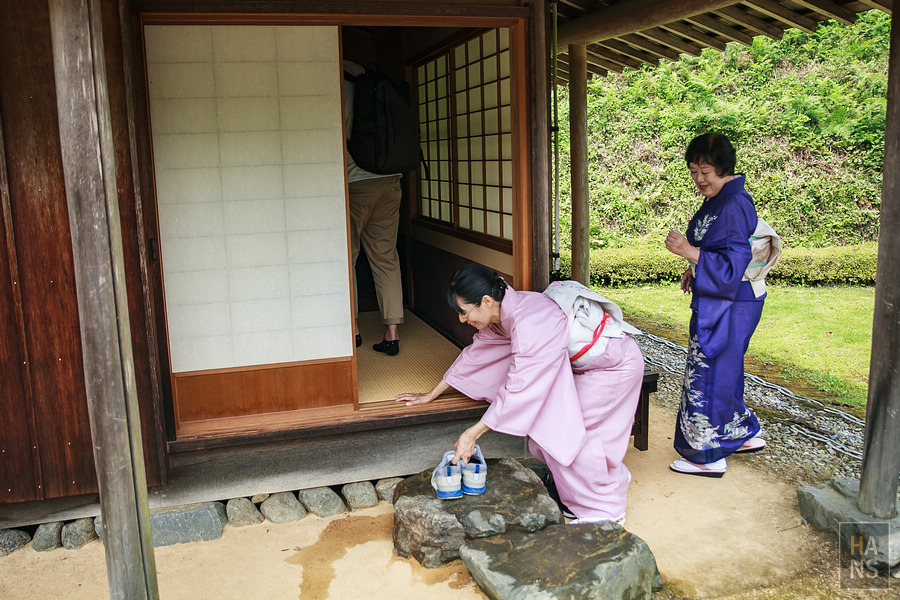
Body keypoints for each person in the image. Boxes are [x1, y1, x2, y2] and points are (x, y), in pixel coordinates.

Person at [396, 265, 645, 524]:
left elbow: (520, 387)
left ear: (486, 301)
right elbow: (478, 354)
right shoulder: (506, 313)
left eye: (463, 311)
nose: (462, 319)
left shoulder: (530, 321)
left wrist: (472, 434)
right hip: (584, 369)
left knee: (571, 435)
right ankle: (589, 492)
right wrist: (431, 394)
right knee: (551, 436)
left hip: (613, 367)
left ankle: (606, 511)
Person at [664, 132, 767, 477]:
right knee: (726, 370)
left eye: (705, 171)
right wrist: (694, 268)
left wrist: (688, 252)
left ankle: (707, 456)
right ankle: (740, 432)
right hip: (728, 297)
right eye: (694, 171)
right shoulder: (723, 197)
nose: (699, 180)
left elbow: (732, 265)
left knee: (709, 372)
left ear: (724, 168)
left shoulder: (734, 204)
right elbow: (718, 251)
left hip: (732, 300)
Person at [344, 60, 404, 356]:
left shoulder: (336, 84)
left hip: (356, 183)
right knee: (385, 257)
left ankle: (352, 329)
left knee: (347, 256)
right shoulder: (378, 83)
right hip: (391, 180)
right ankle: (391, 334)